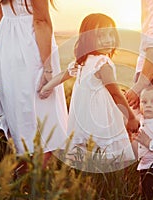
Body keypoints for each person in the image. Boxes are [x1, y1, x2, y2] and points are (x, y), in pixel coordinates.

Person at [39, 13, 139, 172]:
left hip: (83, 116)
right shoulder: (102, 63)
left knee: (88, 151)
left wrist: (47, 87)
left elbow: (63, 75)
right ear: (88, 39)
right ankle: (109, 182)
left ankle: (91, 179)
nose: (108, 39)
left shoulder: (84, 61)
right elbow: (115, 94)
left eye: (110, 34)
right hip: (100, 116)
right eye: (100, 35)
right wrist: (131, 118)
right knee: (106, 152)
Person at [0, 0, 68, 170]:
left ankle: (22, 188)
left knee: (21, 126)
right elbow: (41, 21)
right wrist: (48, 69)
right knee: (46, 128)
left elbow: (0, 14)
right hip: (31, 50)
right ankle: (35, 189)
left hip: (5, 49)